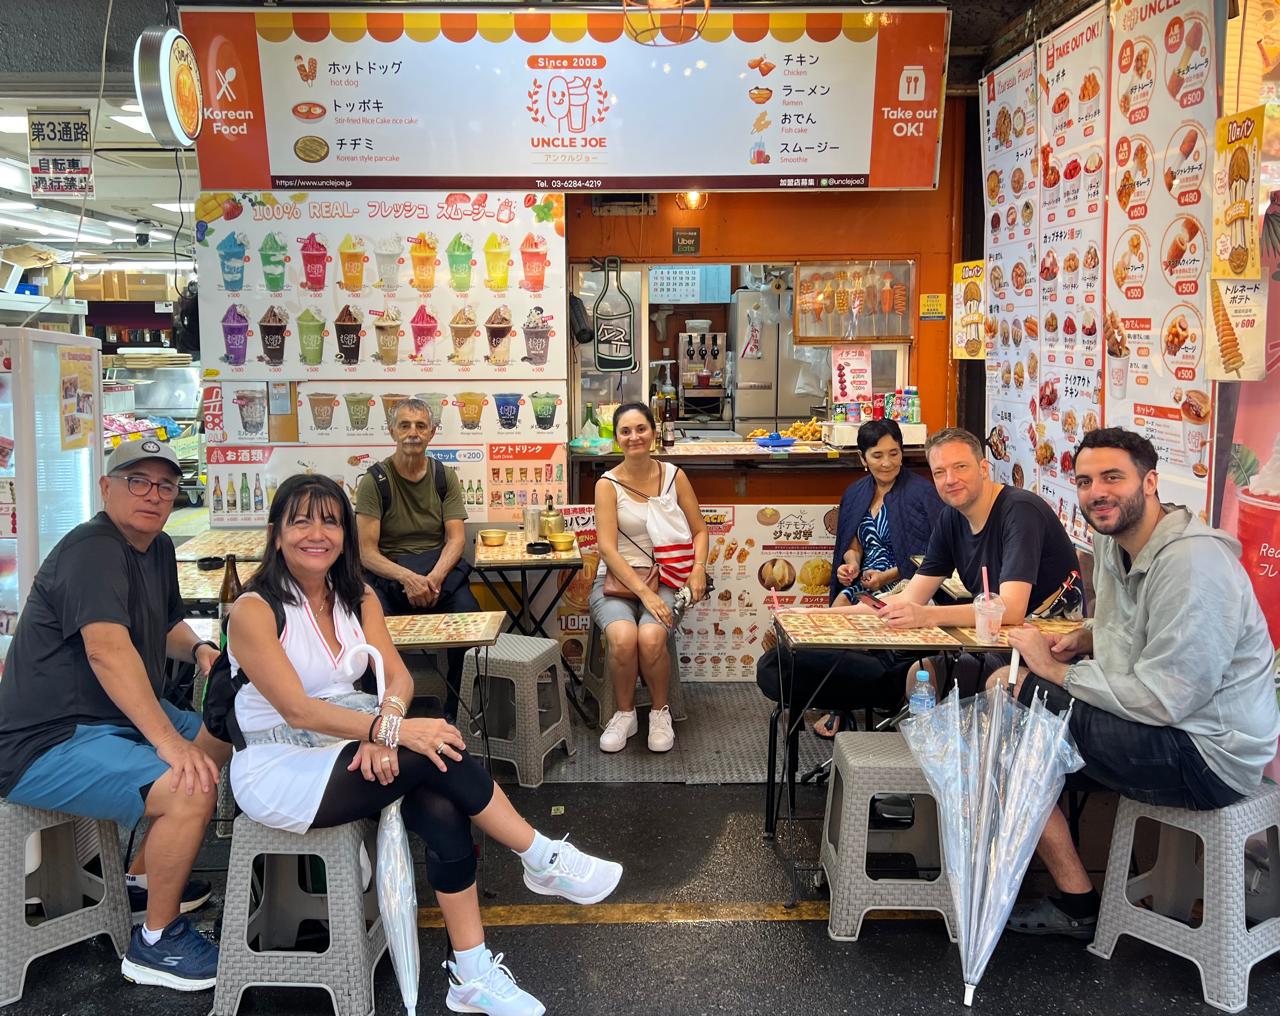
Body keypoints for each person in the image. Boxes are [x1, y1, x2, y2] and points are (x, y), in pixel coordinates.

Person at [228, 475, 622, 1016]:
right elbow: (297, 710)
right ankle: (539, 856)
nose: (316, 534)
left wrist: (387, 722)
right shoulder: (254, 610)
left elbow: (397, 678)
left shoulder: (356, 596)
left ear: (345, 535)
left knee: (440, 798)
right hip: (282, 766)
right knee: (434, 745)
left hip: (348, 741)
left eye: (330, 521)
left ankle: (473, 973)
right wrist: (389, 732)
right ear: (276, 533)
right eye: (301, 521)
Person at [994, 428, 1280, 939]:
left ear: (1149, 483)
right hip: (1168, 727)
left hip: (1208, 754)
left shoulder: (1193, 564)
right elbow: (1129, 631)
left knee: (1014, 702)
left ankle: (1075, 903)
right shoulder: (1112, 540)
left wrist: (1056, 671)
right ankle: (1051, 887)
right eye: (1086, 481)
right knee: (1013, 711)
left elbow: (1164, 699)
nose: (1097, 493)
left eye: (1113, 478)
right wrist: (1086, 638)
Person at [0, 440, 228, 992]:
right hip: (47, 741)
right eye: (137, 481)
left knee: (221, 734)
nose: (153, 495)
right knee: (190, 785)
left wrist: (200, 649)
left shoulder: (158, 546)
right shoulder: (93, 550)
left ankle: (144, 880)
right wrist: (169, 744)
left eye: (165, 485)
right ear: (106, 488)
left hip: (110, 721)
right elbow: (106, 649)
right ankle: (156, 944)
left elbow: (165, 624)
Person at [755, 419, 944, 731]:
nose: (887, 462)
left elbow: (931, 559)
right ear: (862, 458)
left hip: (905, 585)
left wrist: (885, 577)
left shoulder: (923, 493)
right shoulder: (857, 492)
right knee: (836, 614)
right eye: (877, 455)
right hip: (864, 582)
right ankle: (831, 699)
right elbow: (853, 542)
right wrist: (851, 563)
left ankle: (840, 704)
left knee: (842, 620)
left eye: (894, 453)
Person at [591, 403, 708, 753]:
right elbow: (607, 549)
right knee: (623, 637)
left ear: (654, 433)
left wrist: (698, 568)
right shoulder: (607, 484)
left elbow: (700, 530)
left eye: (641, 429)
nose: (634, 437)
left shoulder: (674, 476)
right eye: (625, 431)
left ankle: (660, 712)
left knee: (652, 637)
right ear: (617, 439)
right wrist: (644, 593)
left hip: (668, 577)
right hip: (616, 580)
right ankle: (625, 714)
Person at [355, 398, 477, 722]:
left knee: (469, 617)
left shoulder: (443, 477)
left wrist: (433, 579)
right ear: (392, 431)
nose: (413, 433)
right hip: (389, 576)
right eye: (405, 425)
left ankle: (457, 711)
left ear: (432, 433)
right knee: (367, 627)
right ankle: (376, 714)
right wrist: (408, 579)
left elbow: (456, 539)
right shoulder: (374, 481)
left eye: (421, 426)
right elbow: (367, 552)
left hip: (436, 574)